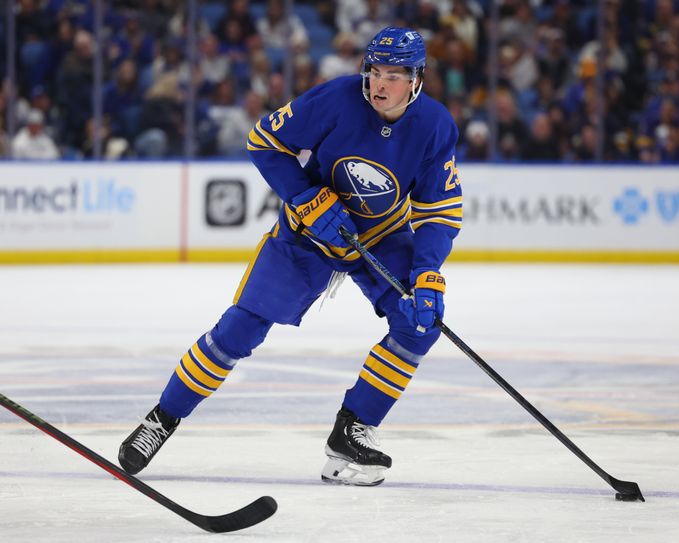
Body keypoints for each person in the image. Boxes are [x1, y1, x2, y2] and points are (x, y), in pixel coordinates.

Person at [118, 27, 462, 487]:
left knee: (419, 323)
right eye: (374, 71)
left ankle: (351, 431)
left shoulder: (436, 125)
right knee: (239, 329)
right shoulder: (339, 98)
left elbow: (439, 211)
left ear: (417, 79)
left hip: (379, 235)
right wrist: (305, 196)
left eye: (394, 75)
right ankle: (162, 419)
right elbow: (264, 142)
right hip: (308, 234)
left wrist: (426, 274)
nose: (379, 84)